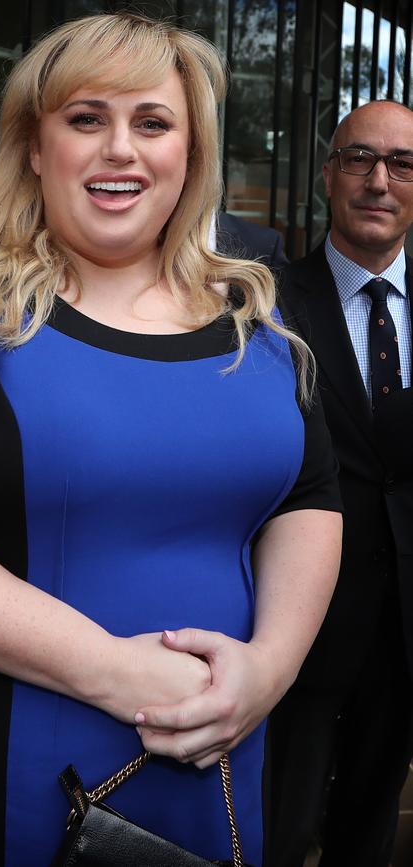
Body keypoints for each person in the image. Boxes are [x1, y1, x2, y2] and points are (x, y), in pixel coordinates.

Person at [0, 14, 341, 867]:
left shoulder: (257, 305)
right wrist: (116, 673)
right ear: (33, 144)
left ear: (191, 150)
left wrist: (270, 668)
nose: (120, 150)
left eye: (153, 122)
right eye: (86, 118)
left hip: (224, 760)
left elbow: (313, 496)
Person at [269, 99, 413, 867]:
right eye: (359, 158)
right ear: (329, 174)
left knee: (368, 828)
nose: (379, 180)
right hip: (299, 624)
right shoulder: (263, 306)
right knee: (276, 828)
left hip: (405, 636)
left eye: (402, 163)